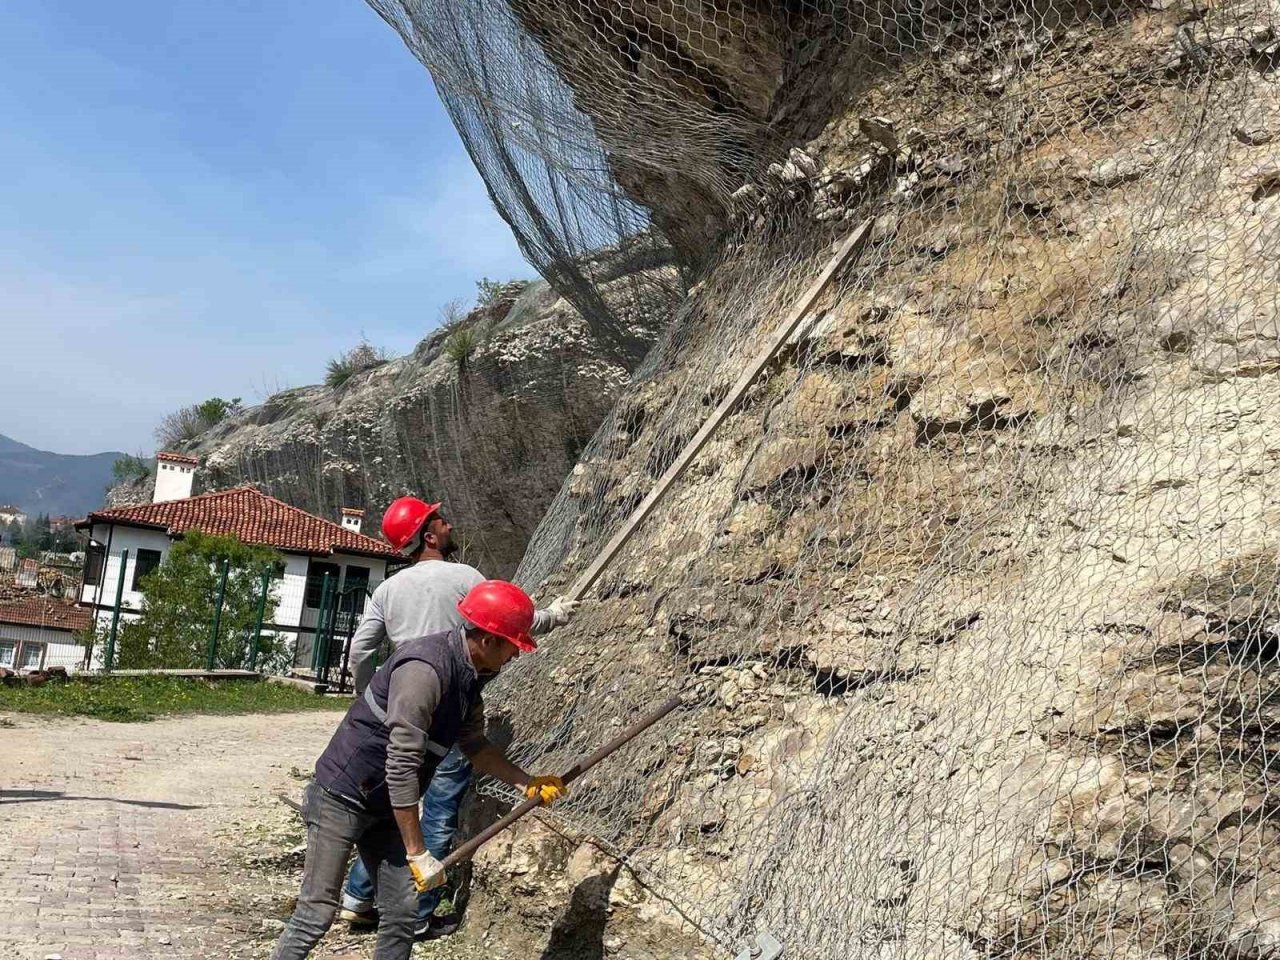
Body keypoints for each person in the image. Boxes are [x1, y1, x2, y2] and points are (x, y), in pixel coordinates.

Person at [271, 579, 567, 960]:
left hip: (383, 805)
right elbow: (401, 766)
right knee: (317, 911)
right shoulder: (425, 671)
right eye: (515, 645)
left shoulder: (469, 677)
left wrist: (527, 782)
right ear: (490, 639)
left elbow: (475, 746)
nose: (518, 654)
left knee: (401, 913)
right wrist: (416, 852)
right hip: (341, 796)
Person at [339, 496, 578, 938]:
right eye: (441, 521)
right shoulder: (464, 577)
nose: (449, 525)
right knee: (439, 809)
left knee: (398, 807)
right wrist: (555, 616)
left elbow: (359, 651)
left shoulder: (389, 589)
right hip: (453, 704)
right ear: (428, 536)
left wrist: (371, 699)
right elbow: (502, 619)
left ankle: (357, 898)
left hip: (404, 701)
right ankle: (418, 913)